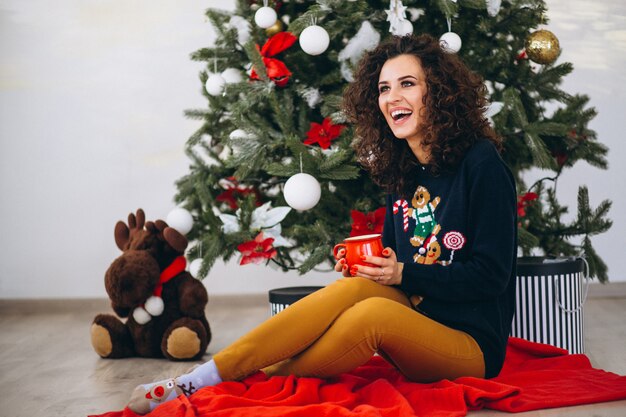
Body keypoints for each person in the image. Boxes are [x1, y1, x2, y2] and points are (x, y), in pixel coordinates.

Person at [126, 33, 517, 414]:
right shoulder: (404, 168)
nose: (392, 97)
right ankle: (206, 376)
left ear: (440, 92)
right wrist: (373, 266)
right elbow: (396, 258)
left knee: (372, 316)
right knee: (356, 287)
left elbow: (491, 276)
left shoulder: (481, 163)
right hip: (417, 316)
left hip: (470, 344)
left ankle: (240, 380)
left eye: (408, 84)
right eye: (383, 88)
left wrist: (401, 272)